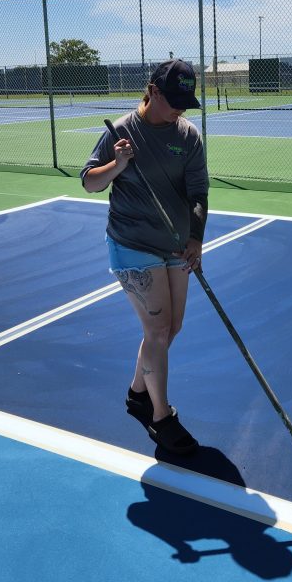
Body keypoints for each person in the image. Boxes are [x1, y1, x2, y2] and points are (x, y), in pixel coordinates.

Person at [81, 59, 209, 456]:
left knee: (172, 329)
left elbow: (199, 194)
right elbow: (89, 183)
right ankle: (160, 417)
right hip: (133, 244)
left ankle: (138, 393)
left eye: (185, 101)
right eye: (173, 100)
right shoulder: (121, 132)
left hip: (175, 245)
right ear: (152, 91)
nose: (180, 109)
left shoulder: (187, 136)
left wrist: (194, 238)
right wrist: (117, 165)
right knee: (157, 331)